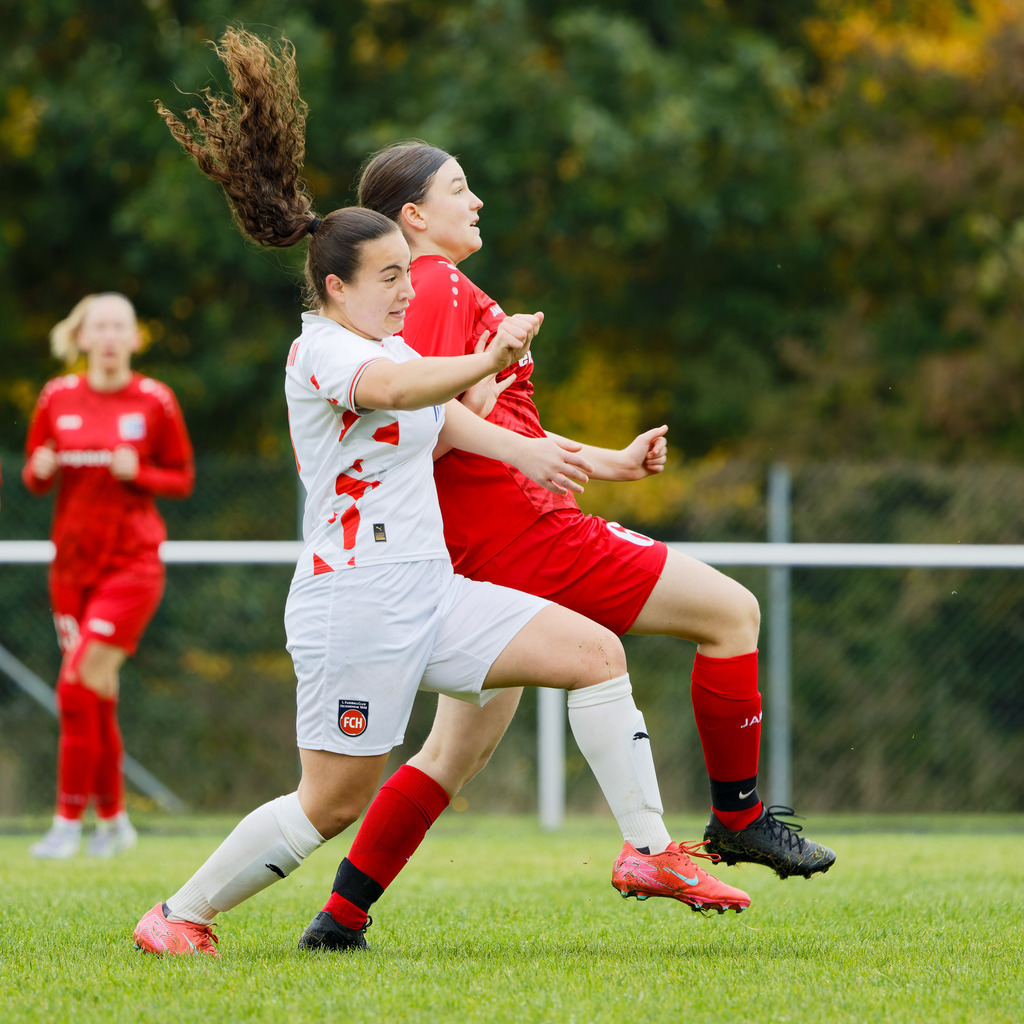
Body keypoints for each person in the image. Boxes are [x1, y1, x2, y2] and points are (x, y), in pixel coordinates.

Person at [132, 28, 750, 959]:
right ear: (335, 286)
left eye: (405, 274)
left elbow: (452, 423)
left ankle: (649, 851)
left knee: (595, 653)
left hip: (430, 587)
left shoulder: (388, 344)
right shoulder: (323, 350)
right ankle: (179, 914)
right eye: (388, 278)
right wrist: (488, 359)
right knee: (331, 800)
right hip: (355, 602)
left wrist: (566, 457)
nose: (404, 292)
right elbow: (397, 392)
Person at [297, 141, 840, 935]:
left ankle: (341, 915)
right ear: (413, 216)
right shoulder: (436, 282)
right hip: (523, 536)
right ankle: (739, 818)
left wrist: (610, 462)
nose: (476, 200)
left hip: (478, 543)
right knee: (732, 614)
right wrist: (481, 385)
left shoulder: (432, 290)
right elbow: (432, 424)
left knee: (453, 755)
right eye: (459, 187)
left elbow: (489, 425)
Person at [22, 292, 195, 858]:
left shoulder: (155, 400)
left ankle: (67, 823)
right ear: (82, 337)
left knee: (74, 685)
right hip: (71, 570)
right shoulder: (56, 396)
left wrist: (139, 472)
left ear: (135, 337)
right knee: (94, 695)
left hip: (132, 567)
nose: (111, 336)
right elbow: (34, 477)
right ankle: (116, 822)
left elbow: (182, 478)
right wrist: (39, 469)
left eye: (121, 326)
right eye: (100, 327)